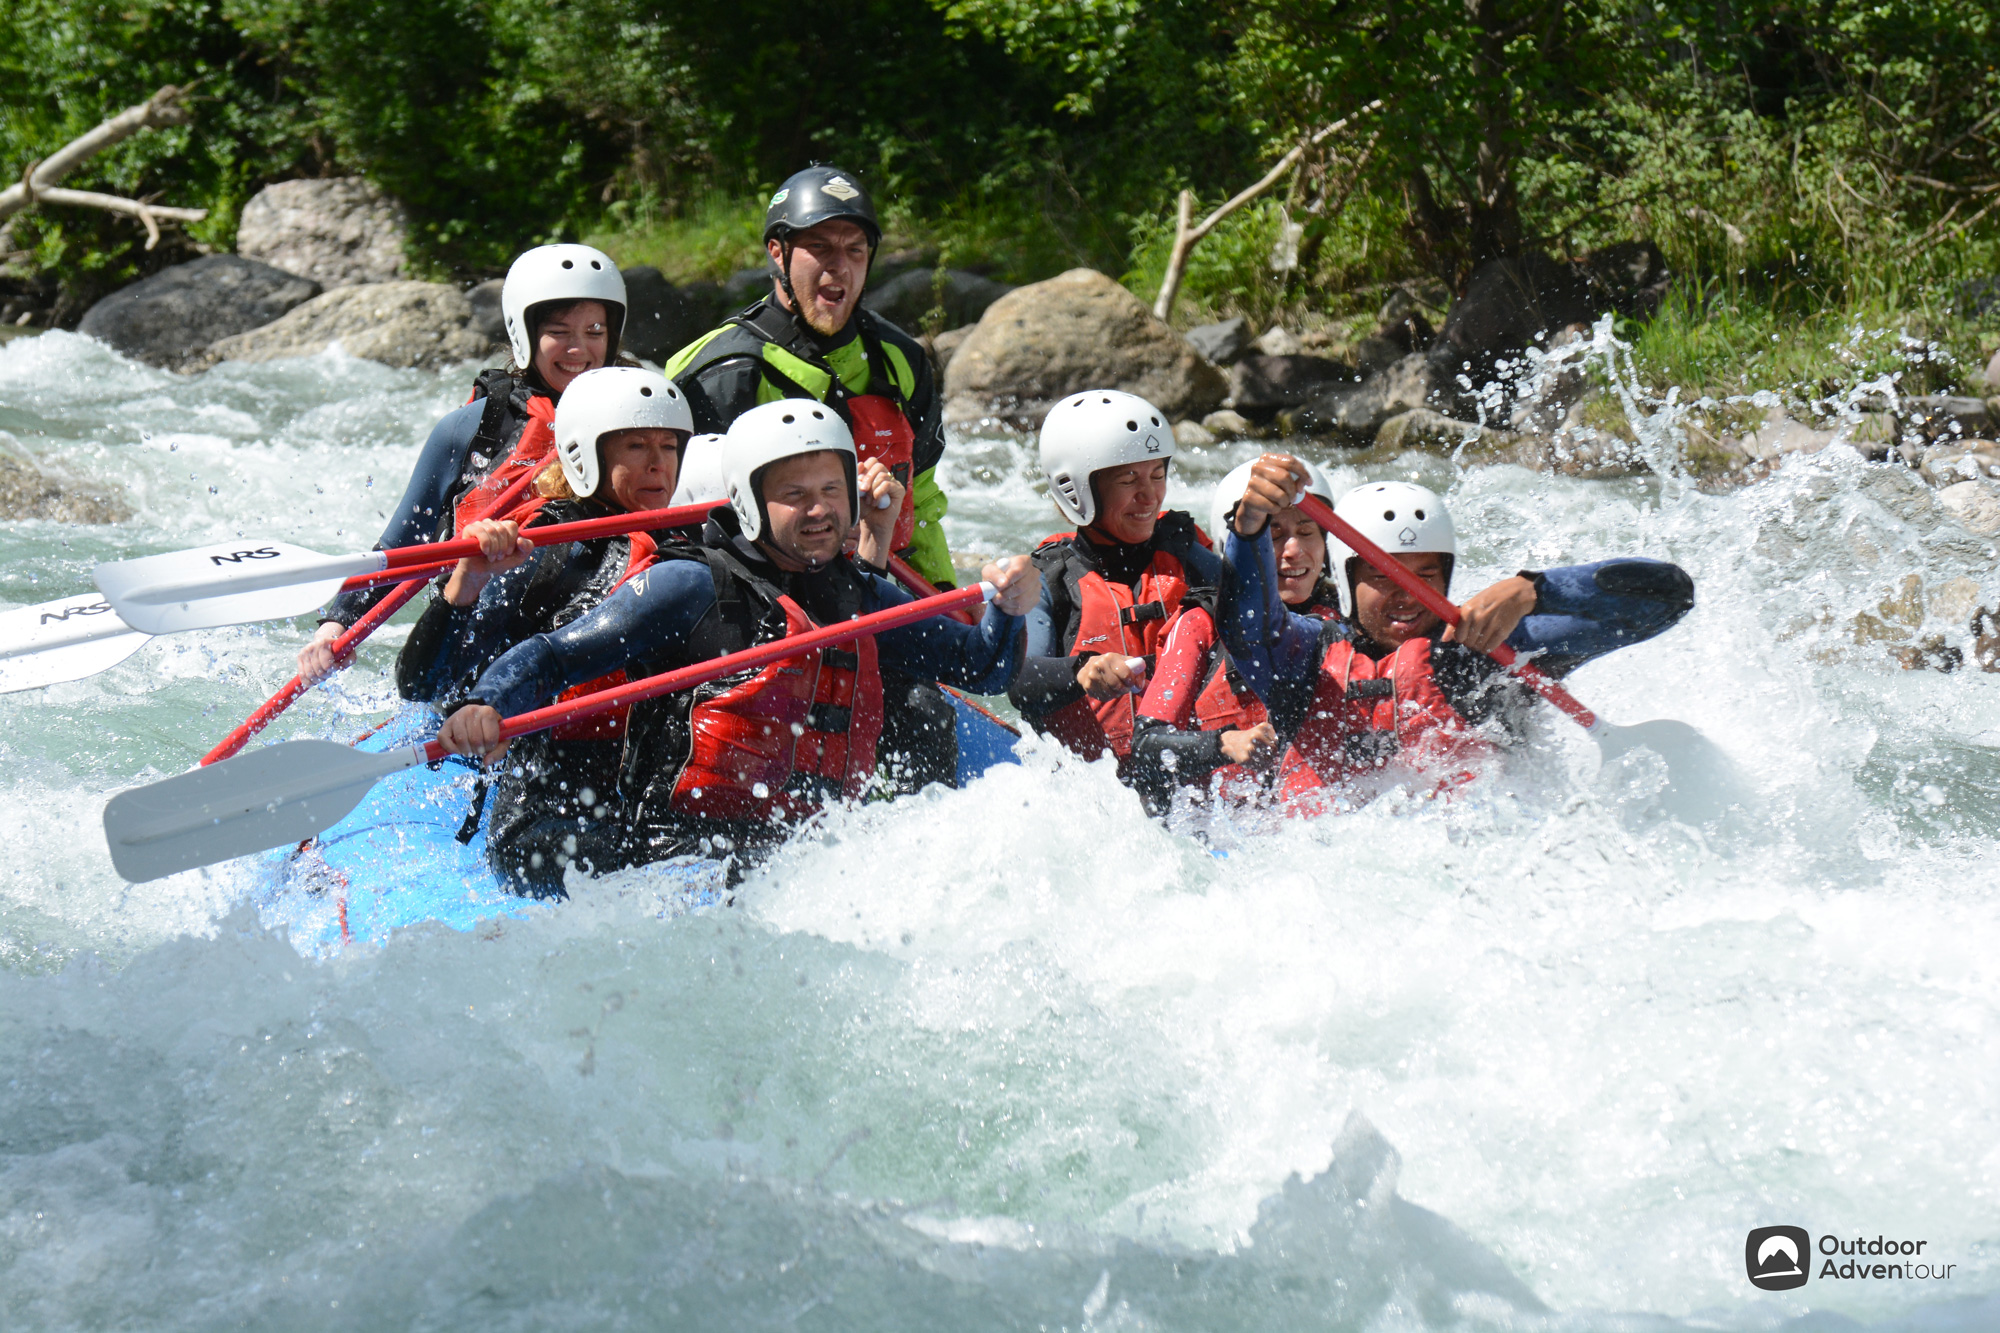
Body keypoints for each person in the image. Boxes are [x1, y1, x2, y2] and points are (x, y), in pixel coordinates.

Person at [435, 398, 1040, 895]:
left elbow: (980, 665)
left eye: (832, 490)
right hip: (669, 847)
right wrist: (488, 704)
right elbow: (551, 656)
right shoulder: (689, 583)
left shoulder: (859, 594)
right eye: (795, 494)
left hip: (796, 849)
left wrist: (1009, 611)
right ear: (748, 500)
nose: (821, 510)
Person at [665, 166, 962, 789]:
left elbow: (924, 499)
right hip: (759, 611)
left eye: (855, 251)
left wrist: (940, 602)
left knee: (925, 721)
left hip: (873, 595)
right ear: (778, 253)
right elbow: (677, 519)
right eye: (820, 249)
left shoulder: (901, 361)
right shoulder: (720, 368)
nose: (839, 270)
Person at [1221, 455, 1696, 804]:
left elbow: (1668, 600)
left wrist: (1537, 591)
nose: (1406, 595)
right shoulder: (1304, 656)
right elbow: (1247, 630)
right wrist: (1249, 529)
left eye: (1424, 575)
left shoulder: (1490, 651)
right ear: (1347, 581)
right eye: (1383, 576)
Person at [392, 368, 693, 865]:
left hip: (638, 790)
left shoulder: (688, 548)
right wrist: (466, 583)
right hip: (540, 806)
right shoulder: (542, 552)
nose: (658, 466)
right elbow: (424, 686)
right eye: (637, 447)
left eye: (669, 447)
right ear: (586, 454)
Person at [298, 243, 628, 684]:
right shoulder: (473, 428)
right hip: (479, 657)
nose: (579, 349)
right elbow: (401, 546)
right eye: (559, 331)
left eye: (594, 331)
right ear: (524, 334)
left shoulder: (643, 422)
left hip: (598, 650)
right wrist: (335, 626)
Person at [1007, 390, 1225, 773]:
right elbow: (1019, 680)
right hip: (1101, 794)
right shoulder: (1050, 577)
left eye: (1158, 475)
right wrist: (1081, 671)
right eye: (1128, 480)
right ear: (1078, 490)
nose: (1149, 496)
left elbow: (1257, 610)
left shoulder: (1187, 551)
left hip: (1196, 772)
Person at [1125, 458, 1339, 809]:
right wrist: (1224, 745)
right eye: (1275, 535)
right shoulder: (1201, 623)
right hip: (1215, 831)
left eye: (1306, 532)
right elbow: (1147, 747)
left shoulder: (1346, 626)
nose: (1294, 551)